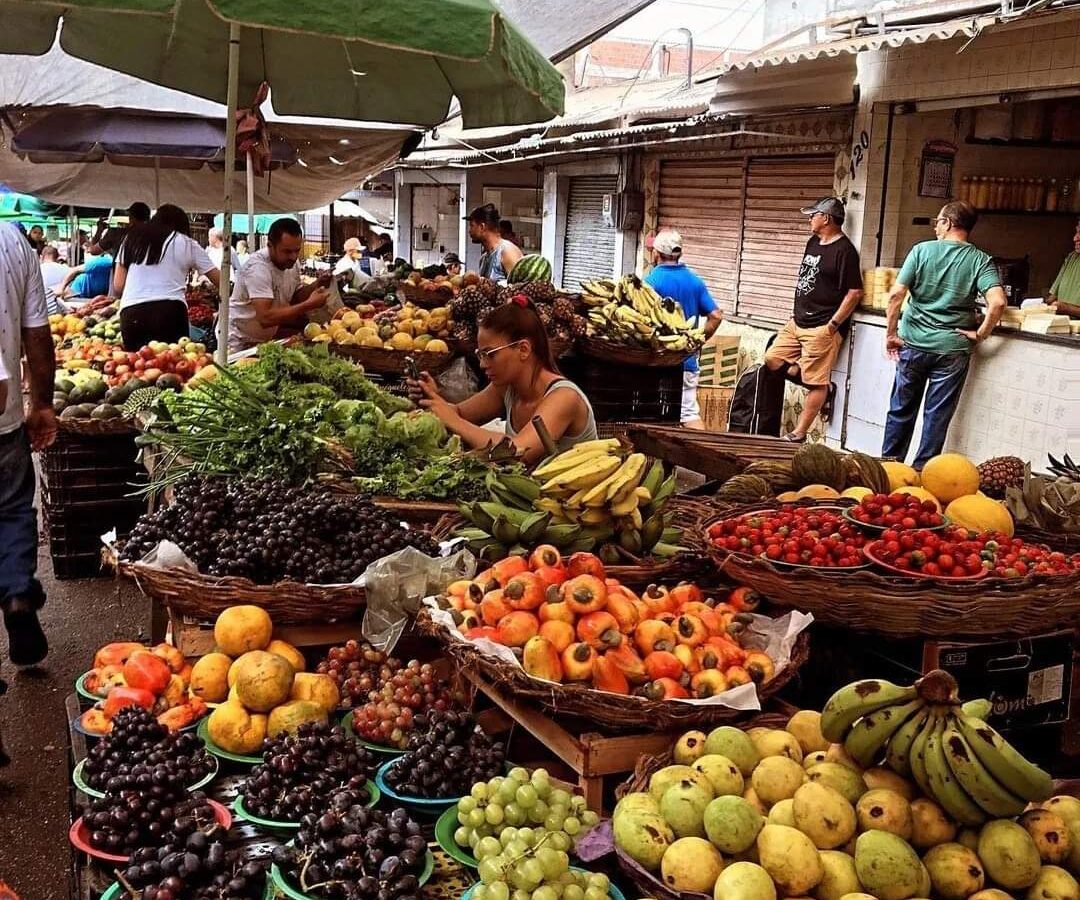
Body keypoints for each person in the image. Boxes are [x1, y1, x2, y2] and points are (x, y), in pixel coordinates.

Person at [882, 200, 1007, 469]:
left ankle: (888, 469)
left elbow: (895, 296)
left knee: (901, 410)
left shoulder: (921, 251)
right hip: (952, 349)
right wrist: (980, 334)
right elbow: (997, 302)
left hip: (913, 343)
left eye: (938, 221)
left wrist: (891, 334)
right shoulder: (980, 260)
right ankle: (921, 475)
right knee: (936, 417)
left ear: (948, 223)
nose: (936, 227)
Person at [408, 297, 597, 463]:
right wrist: (432, 398)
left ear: (523, 349)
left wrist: (453, 420)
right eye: (480, 354)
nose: (482, 364)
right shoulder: (507, 388)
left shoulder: (564, 398)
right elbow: (459, 413)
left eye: (489, 354)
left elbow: (518, 452)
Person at [0, 221, 56, 669]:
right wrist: (42, 404)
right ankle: (18, 591)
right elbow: (37, 333)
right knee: (14, 508)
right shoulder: (14, 241)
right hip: (4, 415)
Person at [763, 197, 863, 442]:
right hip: (797, 321)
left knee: (815, 382)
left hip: (822, 326)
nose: (809, 219)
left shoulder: (845, 252)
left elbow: (855, 292)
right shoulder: (813, 241)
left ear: (826, 218)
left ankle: (799, 432)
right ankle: (816, 383)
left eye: (813, 215)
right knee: (772, 359)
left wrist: (832, 326)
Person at [644, 229, 723, 430]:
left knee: (649, 415)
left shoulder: (652, 282)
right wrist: (696, 342)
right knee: (688, 413)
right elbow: (716, 316)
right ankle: (703, 458)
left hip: (656, 362)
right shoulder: (695, 281)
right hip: (686, 361)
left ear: (656, 253)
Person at [112, 204, 220, 349]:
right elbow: (221, 281)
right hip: (170, 313)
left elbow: (118, 287)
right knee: (171, 365)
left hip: (131, 313)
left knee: (135, 366)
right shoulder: (187, 243)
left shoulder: (131, 240)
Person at [228, 217, 331, 351]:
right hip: (238, 342)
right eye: (287, 251)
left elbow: (296, 297)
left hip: (263, 342)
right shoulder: (257, 268)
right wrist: (309, 305)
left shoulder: (292, 264)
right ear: (270, 245)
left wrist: (316, 284)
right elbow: (265, 317)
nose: (293, 257)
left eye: (297, 250)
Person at [466, 203, 522, 283]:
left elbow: (521, 288)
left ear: (482, 227)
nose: (470, 231)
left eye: (472, 226)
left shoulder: (507, 252)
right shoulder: (484, 258)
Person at [59, 229, 119, 300]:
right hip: (79, 292)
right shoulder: (104, 261)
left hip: (95, 293)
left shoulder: (111, 260)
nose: (86, 237)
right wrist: (61, 288)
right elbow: (74, 270)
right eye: (84, 235)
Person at [1047, 219, 1080, 317]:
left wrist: (1067, 308)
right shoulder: (1072, 257)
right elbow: (1053, 296)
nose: (1075, 238)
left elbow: (1061, 306)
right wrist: (1040, 306)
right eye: (1077, 232)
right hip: (1061, 328)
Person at [39, 246, 70, 316]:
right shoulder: (67, 270)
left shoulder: (37, 270)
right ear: (57, 258)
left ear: (41, 257)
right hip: (61, 314)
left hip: (40, 313)